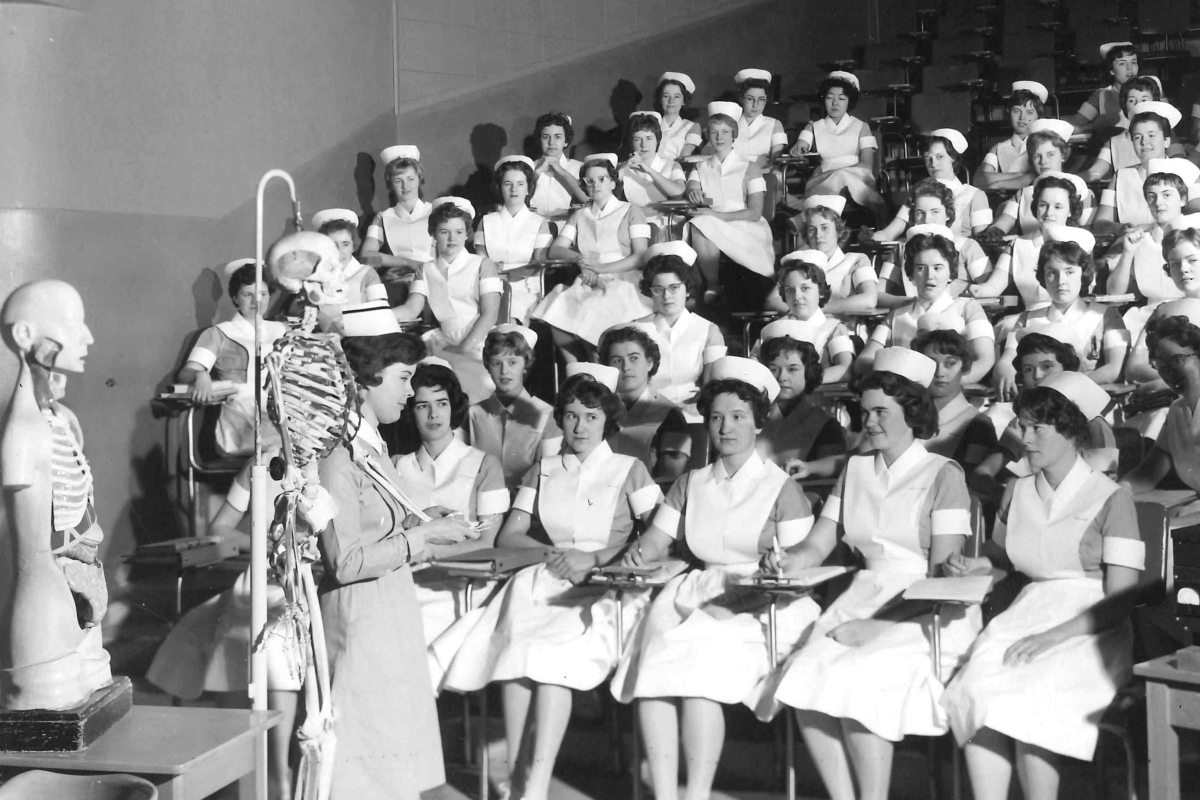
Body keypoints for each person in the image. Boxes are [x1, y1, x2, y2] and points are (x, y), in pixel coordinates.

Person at [758, 347, 981, 800]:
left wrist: (876, 626)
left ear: (912, 413)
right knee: (802, 677)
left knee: (859, 680)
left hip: (926, 612)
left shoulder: (944, 474)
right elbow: (819, 544)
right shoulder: (856, 469)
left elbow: (942, 577)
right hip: (861, 596)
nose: (870, 422)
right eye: (865, 412)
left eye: (882, 411)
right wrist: (787, 559)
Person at [441, 365, 663, 800]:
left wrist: (596, 558)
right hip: (545, 579)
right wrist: (551, 555)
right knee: (516, 652)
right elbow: (510, 536)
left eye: (592, 416)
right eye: (572, 415)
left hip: (607, 585)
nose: (580, 426)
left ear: (608, 421)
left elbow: (659, 539)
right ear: (560, 418)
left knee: (548, 658)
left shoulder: (629, 469)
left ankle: (535, 786)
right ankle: (522, 774)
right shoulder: (541, 470)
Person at [611, 356, 821, 800]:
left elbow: (804, 569)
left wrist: (771, 577)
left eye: (739, 417)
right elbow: (656, 540)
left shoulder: (783, 488)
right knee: (652, 678)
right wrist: (636, 553)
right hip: (695, 593)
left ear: (758, 423)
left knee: (697, 681)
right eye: (716, 417)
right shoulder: (690, 483)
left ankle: (697, 794)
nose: (725, 427)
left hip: (765, 602)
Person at [943, 373, 1144, 800]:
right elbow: (1004, 559)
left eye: (1038, 428)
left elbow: (1121, 601)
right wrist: (976, 564)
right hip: (1027, 613)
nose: (1025, 438)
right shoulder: (1015, 492)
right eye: (1021, 425)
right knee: (975, 687)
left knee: (1031, 697)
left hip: (1090, 629)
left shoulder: (1111, 497)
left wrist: (1050, 638)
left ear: (1071, 431)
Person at [315, 305, 474, 800]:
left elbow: (380, 527)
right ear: (367, 376)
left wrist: (428, 525)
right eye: (403, 378)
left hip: (390, 615)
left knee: (399, 774)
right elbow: (345, 560)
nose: (410, 393)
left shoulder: (371, 444)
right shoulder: (338, 453)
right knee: (365, 776)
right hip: (361, 623)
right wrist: (422, 537)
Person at [146, 454, 298, 800]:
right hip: (265, 578)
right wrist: (267, 543)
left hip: (309, 583)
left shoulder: (329, 463)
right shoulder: (260, 464)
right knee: (234, 634)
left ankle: (279, 775)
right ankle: (246, 772)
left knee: (275, 645)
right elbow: (219, 529)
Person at [393, 360, 510, 689]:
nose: (433, 415)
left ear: (453, 407)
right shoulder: (395, 467)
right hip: (401, 582)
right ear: (410, 411)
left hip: (459, 587)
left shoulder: (485, 465)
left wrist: (424, 550)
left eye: (441, 404)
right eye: (423, 406)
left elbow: (487, 543)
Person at [533, 154, 651, 362]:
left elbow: (640, 257)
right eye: (589, 181)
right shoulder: (580, 214)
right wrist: (581, 260)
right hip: (588, 277)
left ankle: (601, 371)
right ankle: (579, 371)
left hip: (623, 278)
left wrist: (600, 269)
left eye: (601, 179)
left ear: (613, 182)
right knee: (558, 309)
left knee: (596, 313)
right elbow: (556, 249)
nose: (595, 185)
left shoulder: (631, 210)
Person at [974, 326, 1120, 493]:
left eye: (1047, 366)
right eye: (1028, 369)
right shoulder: (1021, 422)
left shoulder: (1094, 424)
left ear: (1068, 370)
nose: (1037, 376)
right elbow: (982, 473)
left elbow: (1101, 487)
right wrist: (1007, 496)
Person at [992, 231, 1130, 399]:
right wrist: (1005, 370)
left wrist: (1067, 386)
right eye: (1052, 273)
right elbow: (1007, 359)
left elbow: (1114, 368)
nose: (1060, 281)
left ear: (1083, 274)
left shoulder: (1107, 315)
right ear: (1042, 277)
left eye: (1069, 272)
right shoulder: (1027, 319)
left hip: (1090, 400)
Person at [393, 197, 501, 403]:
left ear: (466, 234)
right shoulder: (425, 269)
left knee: (475, 385)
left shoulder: (482, 264)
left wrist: (464, 348)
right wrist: (375, 313)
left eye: (459, 232)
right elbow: (410, 310)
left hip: (478, 342)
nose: (452, 239)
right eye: (444, 232)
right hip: (442, 343)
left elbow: (490, 313)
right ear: (433, 235)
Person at [178, 262, 287, 456]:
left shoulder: (282, 330)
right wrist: (201, 375)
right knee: (280, 453)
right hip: (241, 421)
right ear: (235, 298)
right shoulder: (218, 333)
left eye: (263, 294)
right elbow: (185, 374)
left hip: (283, 413)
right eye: (247, 295)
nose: (257, 302)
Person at [857, 232, 995, 383]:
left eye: (938, 268)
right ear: (911, 275)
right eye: (921, 268)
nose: (929, 276)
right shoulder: (897, 316)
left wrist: (946, 384)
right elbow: (863, 361)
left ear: (950, 273)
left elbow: (985, 360)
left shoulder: (967, 308)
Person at [684, 101, 776, 304]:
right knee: (700, 222)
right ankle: (712, 284)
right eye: (715, 132)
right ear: (708, 135)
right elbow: (692, 187)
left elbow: (754, 212)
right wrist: (694, 194)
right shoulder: (700, 167)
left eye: (725, 132)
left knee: (705, 220)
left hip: (746, 225)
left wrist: (718, 215)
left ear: (734, 135)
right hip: (711, 221)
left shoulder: (750, 168)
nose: (719, 137)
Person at [463, 324, 563, 490]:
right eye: (496, 363)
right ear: (487, 365)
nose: (504, 371)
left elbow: (548, 478)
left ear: (526, 364)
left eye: (512, 362)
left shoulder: (546, 415)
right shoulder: (472, 414)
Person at [970, 176, 1093, 308]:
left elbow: (1088, 289)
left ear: (1070, 211)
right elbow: (993, 287)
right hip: (1031, 319)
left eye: (1058, 207)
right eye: (1043, 205)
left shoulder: (1082, 242)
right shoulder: (1018, 244)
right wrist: (978, 290)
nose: (1048, 213)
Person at [1120, 303, 1200, 495]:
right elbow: (1147, 474)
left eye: (1177, 360)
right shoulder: (1177, 410)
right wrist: (1113, 493)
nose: (1168, 371)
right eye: (1160, 363)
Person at [636, 241, 727, 407]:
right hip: (645, 412)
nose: (666, 296)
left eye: (674, 287)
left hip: (693, 412)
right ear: (650, 291)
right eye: (658, 289)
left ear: (688, 289)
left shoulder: (708, 330)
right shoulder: (636, 329)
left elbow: (714, 383)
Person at [755, 328, 847, 478]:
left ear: (808, 372)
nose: (782, 377)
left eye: (792, 369)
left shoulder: (826, 426)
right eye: (774, 369)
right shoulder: (753, 417)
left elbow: (827, 482)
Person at [791, 71, 884, 218]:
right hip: (824, 180)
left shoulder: (862, 126)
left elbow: (867, 164)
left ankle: (801, 219)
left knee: (840, 176)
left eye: (841, 98)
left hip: (858, 178)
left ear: (849, 101)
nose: (835, 103)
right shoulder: (814, 126)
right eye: (830, 98)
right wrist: (798, 149)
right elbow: (801, 145)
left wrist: (836, 173)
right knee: (834, 180)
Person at [1124, 234, 1200, 414]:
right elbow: (1134, 367)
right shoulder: (1163, 311)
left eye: (1193, 261)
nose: (1184, 269)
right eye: (1175, 264)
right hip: (1170, 400)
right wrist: (1173, 381)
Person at [1104, 159, 1199, 301]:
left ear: (1183, 199)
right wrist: (1128, 253)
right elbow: (1113, 292)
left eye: (1166, 195)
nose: (1158, 202)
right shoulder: (1140, 241)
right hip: (1150, 316)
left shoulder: (1197, 238)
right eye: (1151, 197)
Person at [875, 189, 992, 305]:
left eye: (935, 212)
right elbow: (878, 294)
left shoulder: (968, 246)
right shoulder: (900, 250)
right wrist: (913, 303)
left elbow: (989, 292)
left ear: (948, 214)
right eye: (920, 213)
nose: (927, 220)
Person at [872, 129, 992, 239]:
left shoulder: (975, 195)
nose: (933, 164)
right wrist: (873, 237)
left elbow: (982, 241)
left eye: (940, 157)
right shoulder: (919, 193)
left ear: (953, 158)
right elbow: (890, 232)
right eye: (928, 159)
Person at [474, 155, 553, 323]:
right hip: (491, 284)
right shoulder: (486, 222)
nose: (513, 189)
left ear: (528, 188)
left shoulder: (539, 223)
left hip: (525, 288)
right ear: (500, 187)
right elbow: (480, 261)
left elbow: (539, 264)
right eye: (507, 184)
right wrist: (491, 271)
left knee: (511, 310)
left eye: (520, 184)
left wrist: (510, 274)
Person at [1093, 101, 1192, 235]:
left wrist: (1149, 227)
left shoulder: (1186, 172)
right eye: (1137, 137)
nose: (1144, 142)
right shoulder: (1121, 176)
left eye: (1151, 135)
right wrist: (1120, 228)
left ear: (1166, 141)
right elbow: (1100, 224)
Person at [982, 119, 1093, 238]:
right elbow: (1002, 224)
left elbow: (1087, 234)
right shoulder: (1022, 195)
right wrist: (994, 231)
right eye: (1037, 156)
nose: (1043, 162)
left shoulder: (1082, 192)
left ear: (1063, 155)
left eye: (1050, 154)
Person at [769, 195, 879, 315]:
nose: (818, 235)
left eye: (824, 228)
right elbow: (772, 300)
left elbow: (869, 299)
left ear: (838, 231)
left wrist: (815, 311)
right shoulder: (798, 262)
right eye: (812, 229)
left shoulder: (857, 260)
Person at [600, 323, 688, 470]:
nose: (626, 367)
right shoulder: (598, 410)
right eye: (617, 360)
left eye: (633, 358)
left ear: (649, 363)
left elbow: (671, 476)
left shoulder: (670, 414)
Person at [756, 255, 854, 384]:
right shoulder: (776, 328)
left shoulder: (834, 328)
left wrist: (804, 381)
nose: (797, 296)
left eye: (805, 288)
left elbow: (845, 369)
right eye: (790, 290)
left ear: (820, 291)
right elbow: (755, 362)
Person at [912, 327, 997, 473]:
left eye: (950, 363)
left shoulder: (978, 425)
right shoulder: (908, 414)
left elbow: (971, 483)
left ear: (964, 367)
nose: (940, 373)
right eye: (931, 363)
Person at [361, 145, 435, 272]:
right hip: (398, 280)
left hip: (432, 276)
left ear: (419, 179)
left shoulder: (435, 212)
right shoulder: (382, 218)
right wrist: (407, 262)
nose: (405, 186)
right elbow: (366, 258)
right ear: (390, 184)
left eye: (410, 179)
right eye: (398, 181)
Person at [1083, 76, 1170, 182]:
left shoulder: (1164, 134)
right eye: (1132, 100)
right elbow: (1096, 171)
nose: (1138, 105)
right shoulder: (1114, 142)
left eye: (1144, 100)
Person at [619, 111, 687, 231]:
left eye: (649, 138)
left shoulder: (672, 164)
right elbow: (609, 191)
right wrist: (624, 168)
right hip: (630, 222)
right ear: (631, 143)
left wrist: (648, 170)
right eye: (637, 139)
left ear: (657, 140)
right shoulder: (622, 167)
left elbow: (678, 192)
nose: (643, 145)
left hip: (665, 222)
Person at [974, 82, 1046, 191]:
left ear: (1039, 116)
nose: (1022, 117)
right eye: (1017, 111)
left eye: (1030, 112)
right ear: (1008, 113)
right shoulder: (999, 148)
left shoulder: (1045, 144)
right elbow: (979, 178)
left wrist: (999, 181)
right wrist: (1022, 176)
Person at [314, 208, 388, 304]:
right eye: (333, 245)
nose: (340, 251)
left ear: (353, 246)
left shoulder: (367, 274)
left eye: (345, 244)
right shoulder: (316, 275)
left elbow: (381, 311)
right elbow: (296, 308)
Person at [1067, 42, 1140, 136]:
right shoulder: (1101, 94)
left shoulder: (1150, 86)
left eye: (1133, 62)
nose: (1130, 68)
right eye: (1122, 63)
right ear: (1111, 70)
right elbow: (1077, 123)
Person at [528, 111, 588, 221]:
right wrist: (536, 173)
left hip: (567, 228)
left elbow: (589, 200)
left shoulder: (579, 168)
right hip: (533, 227)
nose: (551, 142)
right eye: (546, 137)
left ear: (566, 141)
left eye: (557, 137)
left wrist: (562, 172)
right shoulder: (529, 167)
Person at [729, 68, 788, 169]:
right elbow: (711, 152)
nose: (755, 105)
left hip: (764, 177)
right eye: (750, 99)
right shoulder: (729, 123)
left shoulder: (774, 124)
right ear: (741, 98)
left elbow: (777, 160)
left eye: (761, 99)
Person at [654, 72, 702, 161]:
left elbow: (684, 157)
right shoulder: (652, 124)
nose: (671, 101)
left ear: (684, 101)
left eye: (676, 96)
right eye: (666, 96)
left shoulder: (692, 127)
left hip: (676, 171)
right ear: (660, 99)